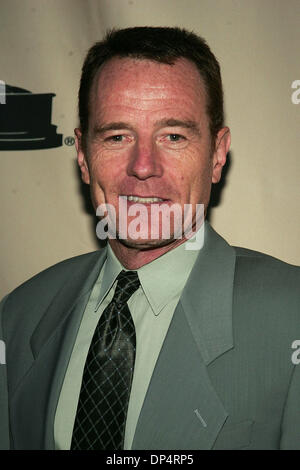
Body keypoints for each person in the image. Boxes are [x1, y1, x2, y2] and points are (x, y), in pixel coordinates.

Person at [0, 26, 299, 451]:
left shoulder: (292, 317)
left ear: (217, 154)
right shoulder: (18, 317)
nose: (143, 167)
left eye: (173, 136)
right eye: (117, 136)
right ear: (83, 157)